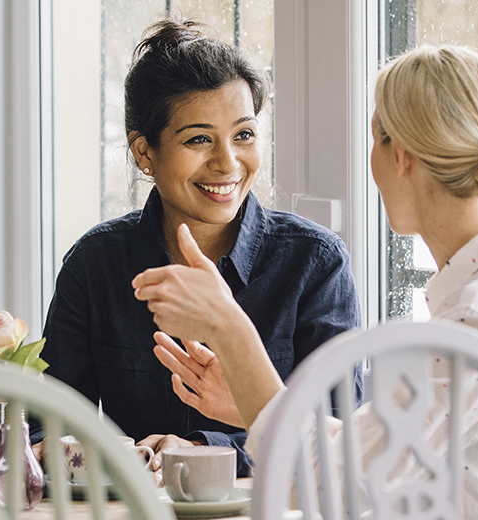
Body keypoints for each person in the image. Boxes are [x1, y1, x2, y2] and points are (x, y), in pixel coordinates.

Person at [135, 45, 478, 517]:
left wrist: (229, 327)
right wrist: (248, 402)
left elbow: (329, 488)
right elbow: (380, 456)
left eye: (374, 139)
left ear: (400, 155)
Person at [37, 18, 362, 480]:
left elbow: (342, 438)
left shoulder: (315, 263)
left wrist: (197, 450)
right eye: (199, 139)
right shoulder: (96, 264)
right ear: (144, 153)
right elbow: (47, 427)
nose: (227, 163)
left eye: (244, 135)